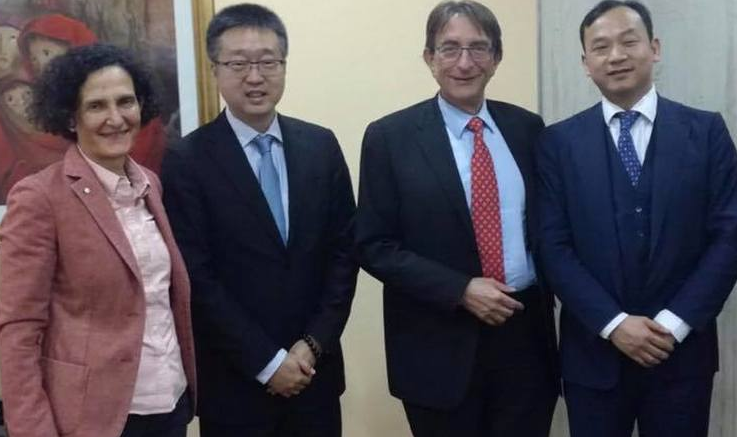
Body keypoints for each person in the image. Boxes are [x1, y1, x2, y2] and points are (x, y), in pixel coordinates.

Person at [355, 1, 558, 436]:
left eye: (478, 48)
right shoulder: (390, 138)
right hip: (437, 345)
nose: (464, 63)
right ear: (429, 58)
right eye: (449, 48)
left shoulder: (527, 128)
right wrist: (460, 289)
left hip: (525, 341)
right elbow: (373, 245)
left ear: (496, 57)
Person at [536, 1, 737, 436]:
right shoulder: (557, 143)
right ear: (585, 63)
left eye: (629, 41)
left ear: (654, 47)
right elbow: (552, 246)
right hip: (594, 356)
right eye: (601, 47)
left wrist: (674, 324)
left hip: (681, 354)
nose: (616, 56)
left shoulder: (706, 132)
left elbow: (729, 236)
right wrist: (614, 324)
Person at [161, 4, 358, 437]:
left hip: (315, 377)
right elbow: (197, 277)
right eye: (238, 64)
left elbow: (344, 254)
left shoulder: (320, 146)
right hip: (236, 384)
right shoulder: (186, 160)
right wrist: (267, 363)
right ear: (215, 70)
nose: (255, 77)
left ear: (284, 65)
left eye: (268, 62)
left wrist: (313, 345)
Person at [0, 44, 197, 437]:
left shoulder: (150, 185)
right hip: (94, 419)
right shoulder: (39, 198)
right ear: (70, 117)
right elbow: (17, 328)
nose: (115, 118)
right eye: (96, 106)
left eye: (125, 102)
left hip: (169, 404)